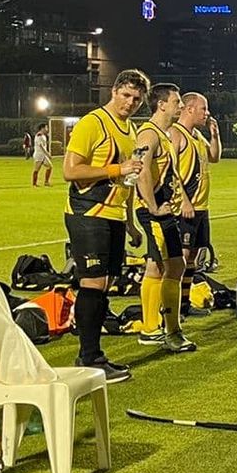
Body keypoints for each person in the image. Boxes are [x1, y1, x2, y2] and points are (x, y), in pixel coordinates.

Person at [62, 68, 150, 383]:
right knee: (93, 285)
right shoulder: (92, 123)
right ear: (114, 91)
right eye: (126, 95)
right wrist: (116, 167)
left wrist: (129, 222)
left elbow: (128, 179)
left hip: (113, 215)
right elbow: (70, 171)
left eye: (137, 99)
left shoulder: (130, 129)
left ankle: (92, 354)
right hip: (89, 212)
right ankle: (89, 357)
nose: (130, 102)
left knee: (105, 285)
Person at [133, 83, 195, 355]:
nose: (180, 105)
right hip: (154, 210)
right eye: (176, 101)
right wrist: (153, 206)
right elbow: (140, 170)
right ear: (161, 104)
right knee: (161, 267)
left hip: (164, 209)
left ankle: (167, 327)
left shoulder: (163, 135)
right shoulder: (149, 134)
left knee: (174, 266)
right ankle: (154, 329)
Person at [176, 92, 219, 270]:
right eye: (204, 108)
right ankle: (172, 297)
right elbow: (170, 171)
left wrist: (214, 136)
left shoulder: (197, 136)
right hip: (185, 208)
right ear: (189, 109)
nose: (207, 113)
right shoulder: (176, 134)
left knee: (193, 255)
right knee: (182, 255)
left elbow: (214, 157)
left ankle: (185, 297)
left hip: (201, 207)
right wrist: (184, 201)